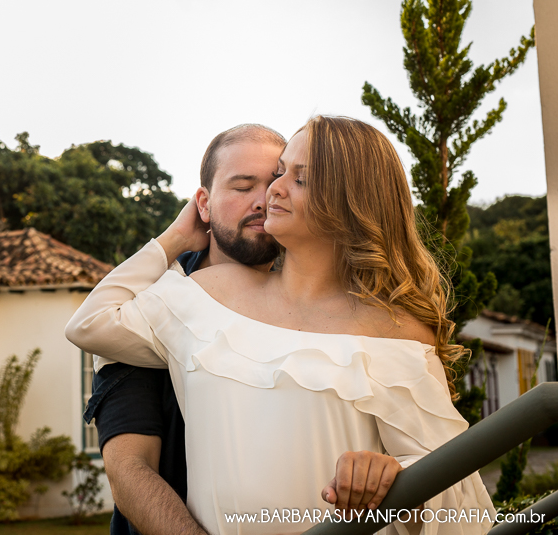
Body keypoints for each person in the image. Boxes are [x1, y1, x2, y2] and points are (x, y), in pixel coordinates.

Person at [67, 116, 495, 535]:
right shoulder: (207, 292)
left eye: (299, 179)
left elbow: (461, 502)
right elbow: (89, 326)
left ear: (352, 202)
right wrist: (175, 237)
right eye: (280, 173)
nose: (273, 189)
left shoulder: (395, 331)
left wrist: (396, 477)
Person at [83, 124, 285, 535]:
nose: (263, 200)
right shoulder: (148, 306)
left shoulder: (312, 306)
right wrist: (176, 237)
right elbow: (130, 471)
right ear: (204, 205)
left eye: (276, 184)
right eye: (243, 186)